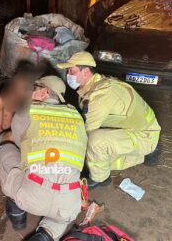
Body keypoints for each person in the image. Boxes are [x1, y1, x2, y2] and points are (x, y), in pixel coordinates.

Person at [0, 76, 87, 241]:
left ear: (44, 92)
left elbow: (19, 146)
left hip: (32, 197)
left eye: (34, 87)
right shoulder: (77, 116)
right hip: (69, 203)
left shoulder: (28, 112)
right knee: (61, 218)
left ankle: (17, 211)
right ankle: (45, 235)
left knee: (6, 149)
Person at [57, 51, 161, 190]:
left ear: (86, 71)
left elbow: (85, 134)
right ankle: (144, 155)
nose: (68, 74)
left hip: (144, 136)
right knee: (97, 157)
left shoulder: (100, 95)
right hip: (134, 128)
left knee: (95, 143)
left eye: (71, 70)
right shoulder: (95, 85)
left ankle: (100, 178)